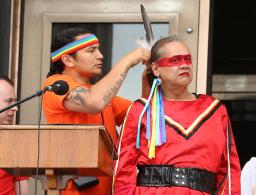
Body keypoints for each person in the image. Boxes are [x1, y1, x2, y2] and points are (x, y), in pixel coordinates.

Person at [113, 36, 241, 194]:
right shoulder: (141, 110)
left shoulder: (214, 109)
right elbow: (123, 169)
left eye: (188, 59)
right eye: (175, 60)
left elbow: (229, 169)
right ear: (156, 69)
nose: (184, 65)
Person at [42, 28, 150, 195]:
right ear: (68, 60)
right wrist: (127, 61)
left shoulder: (99, 93)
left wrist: (147, 79)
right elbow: (94, 102)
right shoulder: (55, 85)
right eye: (91, 50)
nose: (100, 55)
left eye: (98, 49)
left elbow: (143, 117)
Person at [0, 75, 29, 195]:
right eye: (9, 101)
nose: (16, 108)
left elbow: (23, 191)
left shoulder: (15, 143)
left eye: (15, 102)